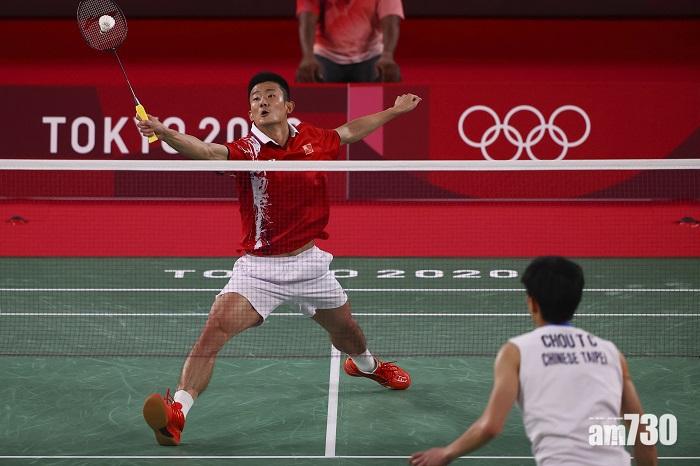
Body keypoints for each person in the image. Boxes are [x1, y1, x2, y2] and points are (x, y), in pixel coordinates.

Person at [136, 71, 421, 446]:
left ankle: (367, 366)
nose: (263, 101)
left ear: (288, 106)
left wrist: (394, 111)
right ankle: (178, 413)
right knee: (214, 329)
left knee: (347, 332)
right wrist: (164, 132)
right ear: (250, 113)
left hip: (310, 265)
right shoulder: (247, 151)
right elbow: (206, 151)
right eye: (256, 98)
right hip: (259, 270)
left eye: (270, 95)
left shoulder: (313, 139)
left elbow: (349, 132)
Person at [410, 256, 658, 466]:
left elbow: (491, 426)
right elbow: (642, 435)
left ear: (532, 303)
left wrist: (447, 452)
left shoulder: (516, 352)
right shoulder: (611, 353)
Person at [296, 0, 404, 83]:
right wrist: (308, 56)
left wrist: (387, 55)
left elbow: (391, 20)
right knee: (308, 79)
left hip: (370, 55)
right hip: (326, 55)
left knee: (389, 78)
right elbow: (307, 20)